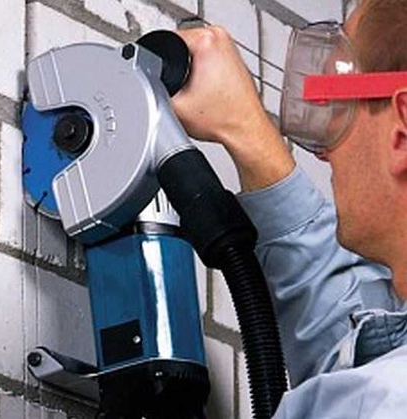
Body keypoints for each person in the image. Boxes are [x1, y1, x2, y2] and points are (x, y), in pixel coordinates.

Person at [173, 0, 407, 417]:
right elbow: (349, 352)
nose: (325, 153)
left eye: (339, 110)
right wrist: (243, 128)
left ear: (402, 134)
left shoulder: (383, 401)